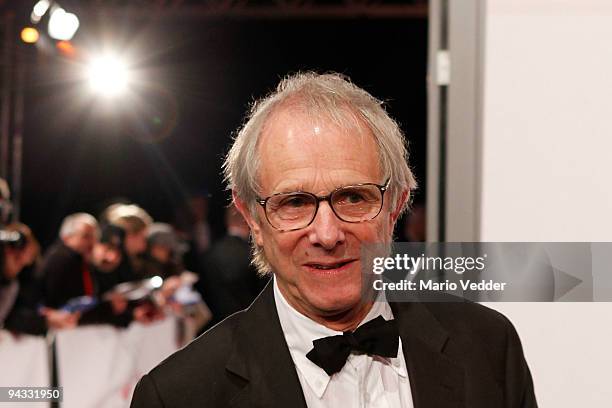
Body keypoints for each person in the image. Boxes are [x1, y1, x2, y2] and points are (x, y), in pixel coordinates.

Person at [131, 73, 537, 407]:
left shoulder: (488, 347)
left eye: (354, 197)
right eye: (294, 202)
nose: (327, 234)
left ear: (396, 203)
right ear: (252, 217)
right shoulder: (177, 397)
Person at [198, 205, 269, 326]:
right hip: (254, 323)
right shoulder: (253, 255)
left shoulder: (209, 254)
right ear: (249, 221)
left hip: (220, 327)